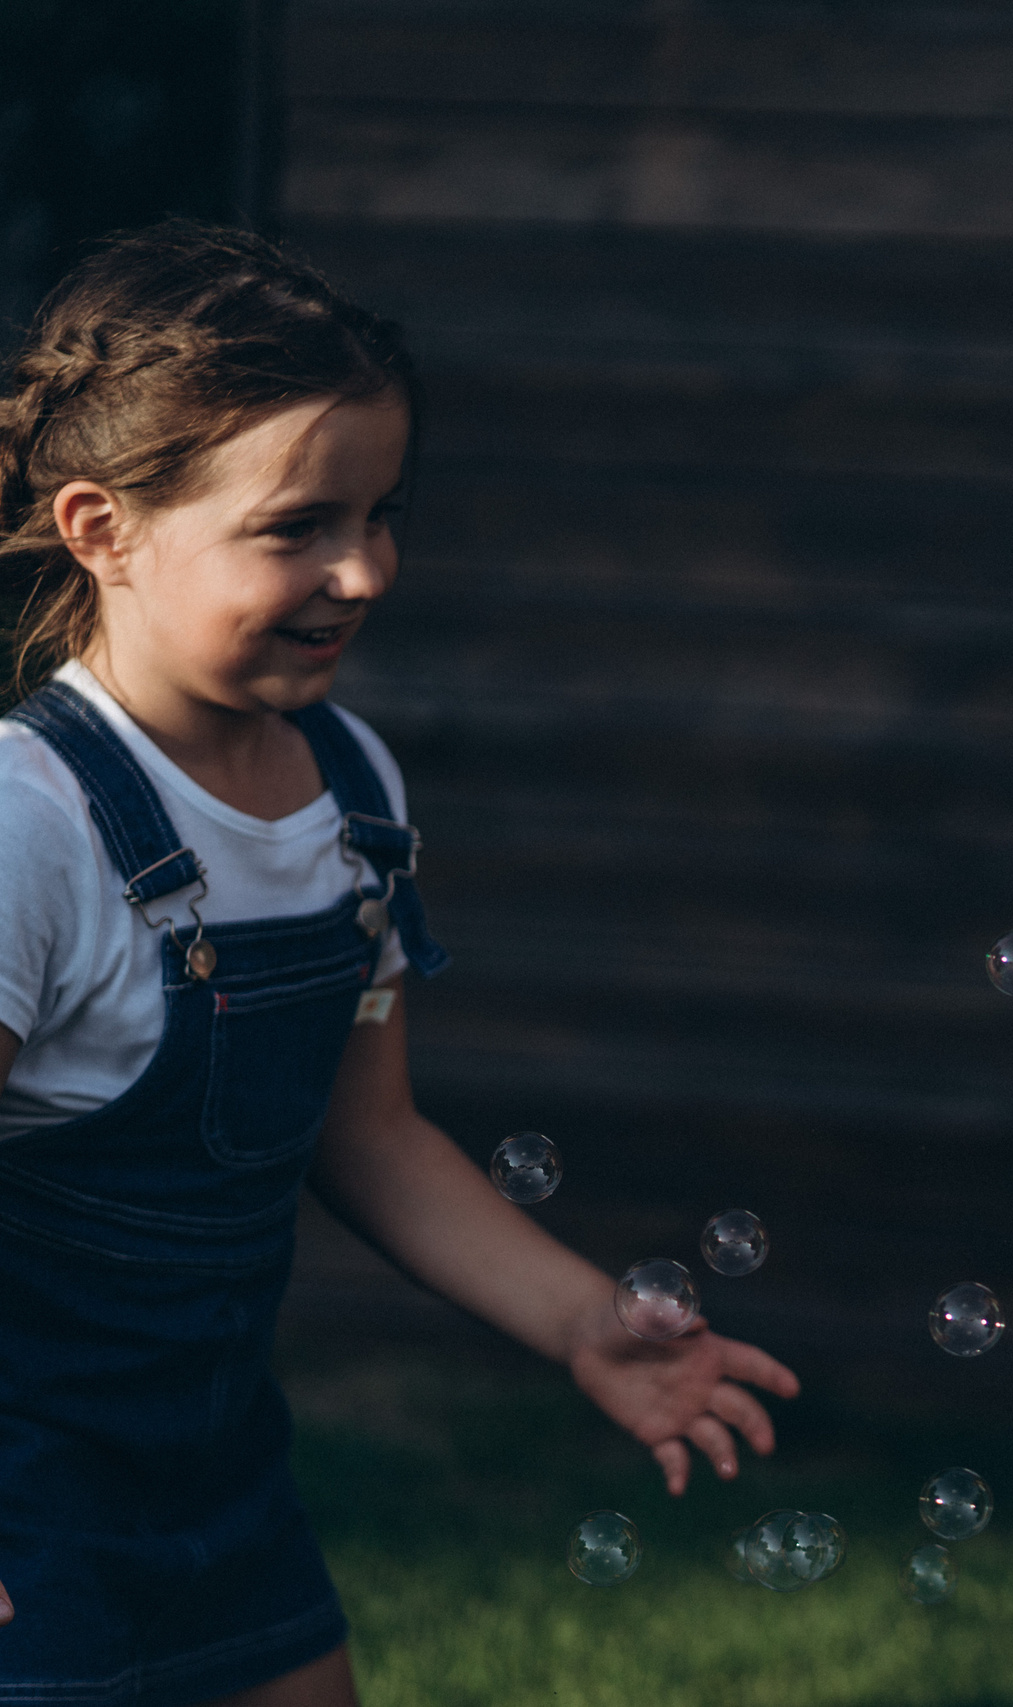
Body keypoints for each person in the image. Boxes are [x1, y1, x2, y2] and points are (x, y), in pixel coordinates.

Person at [0, 224, 799, 1704]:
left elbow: (367, 1137)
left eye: (381, 515)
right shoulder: (27, 824)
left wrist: (583, 1325)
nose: (362, 571)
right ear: (103, 530)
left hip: (219, 1478)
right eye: (298, 526)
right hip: (24, 1511)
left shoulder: (354, 787)